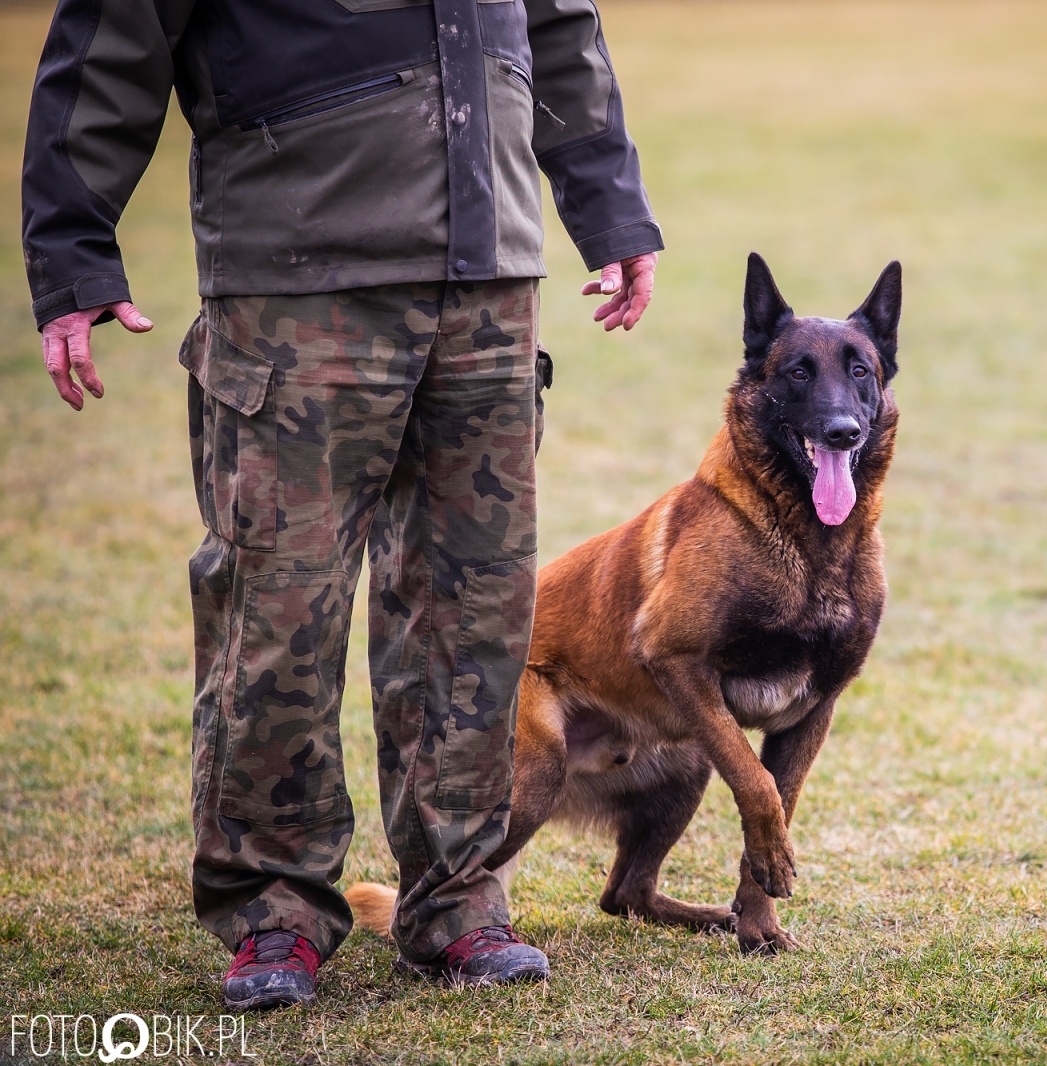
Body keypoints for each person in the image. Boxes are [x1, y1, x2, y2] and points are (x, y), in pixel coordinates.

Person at [21, 0, 661, 1010]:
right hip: (298, 282)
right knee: (277, 617)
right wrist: (71, 252)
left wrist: (609, 207)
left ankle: (456, 897)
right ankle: (273, 909)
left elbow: (556, 24)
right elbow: (114, 30)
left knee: (477, 618)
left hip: (488, 277)